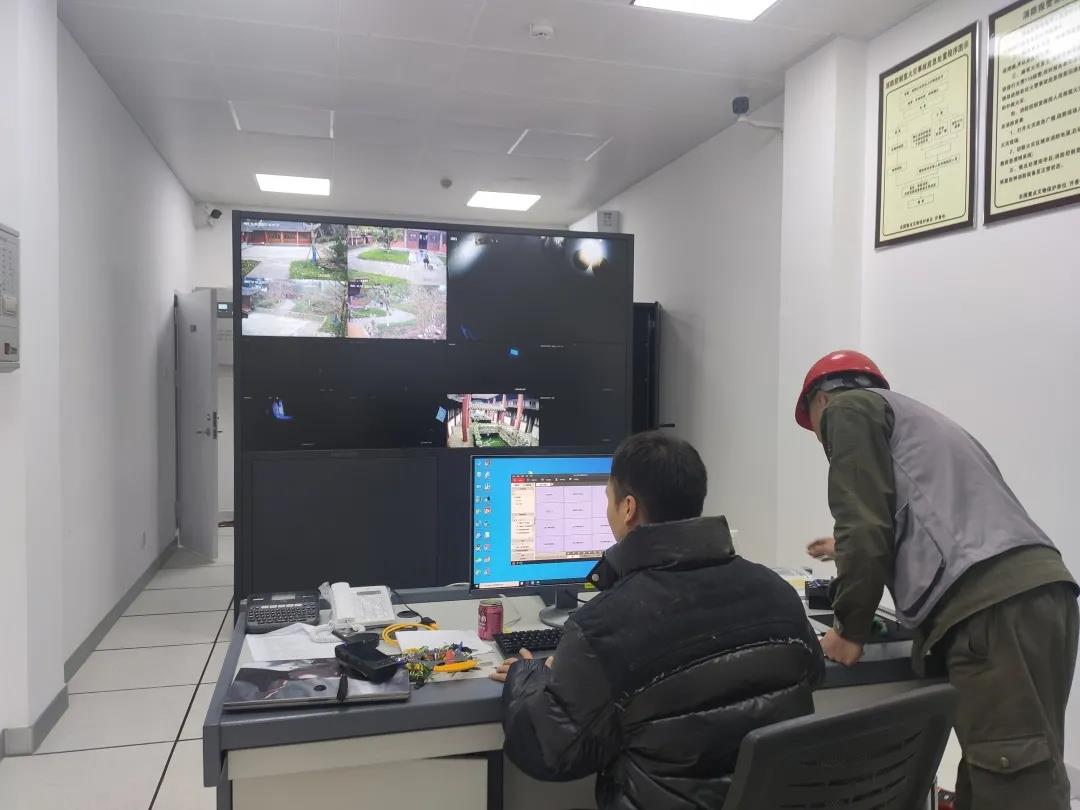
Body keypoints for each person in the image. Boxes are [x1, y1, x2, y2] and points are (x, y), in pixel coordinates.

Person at [796, 350, 1078, 810]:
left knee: (1014, 785)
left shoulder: (846, 409)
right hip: (1039, 594)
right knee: (1003, 770)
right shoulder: (920, 421)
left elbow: (866, 527)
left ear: (821, 402)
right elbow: (934, 519)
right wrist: (844, 547)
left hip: (989, 610)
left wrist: (849, 629)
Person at [492, 431, 824, 809]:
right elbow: (813, 676)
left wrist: (527, 675)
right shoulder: (778, 592)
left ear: (628, 508)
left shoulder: (604, 625)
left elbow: (548, 750)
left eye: (608, 499)